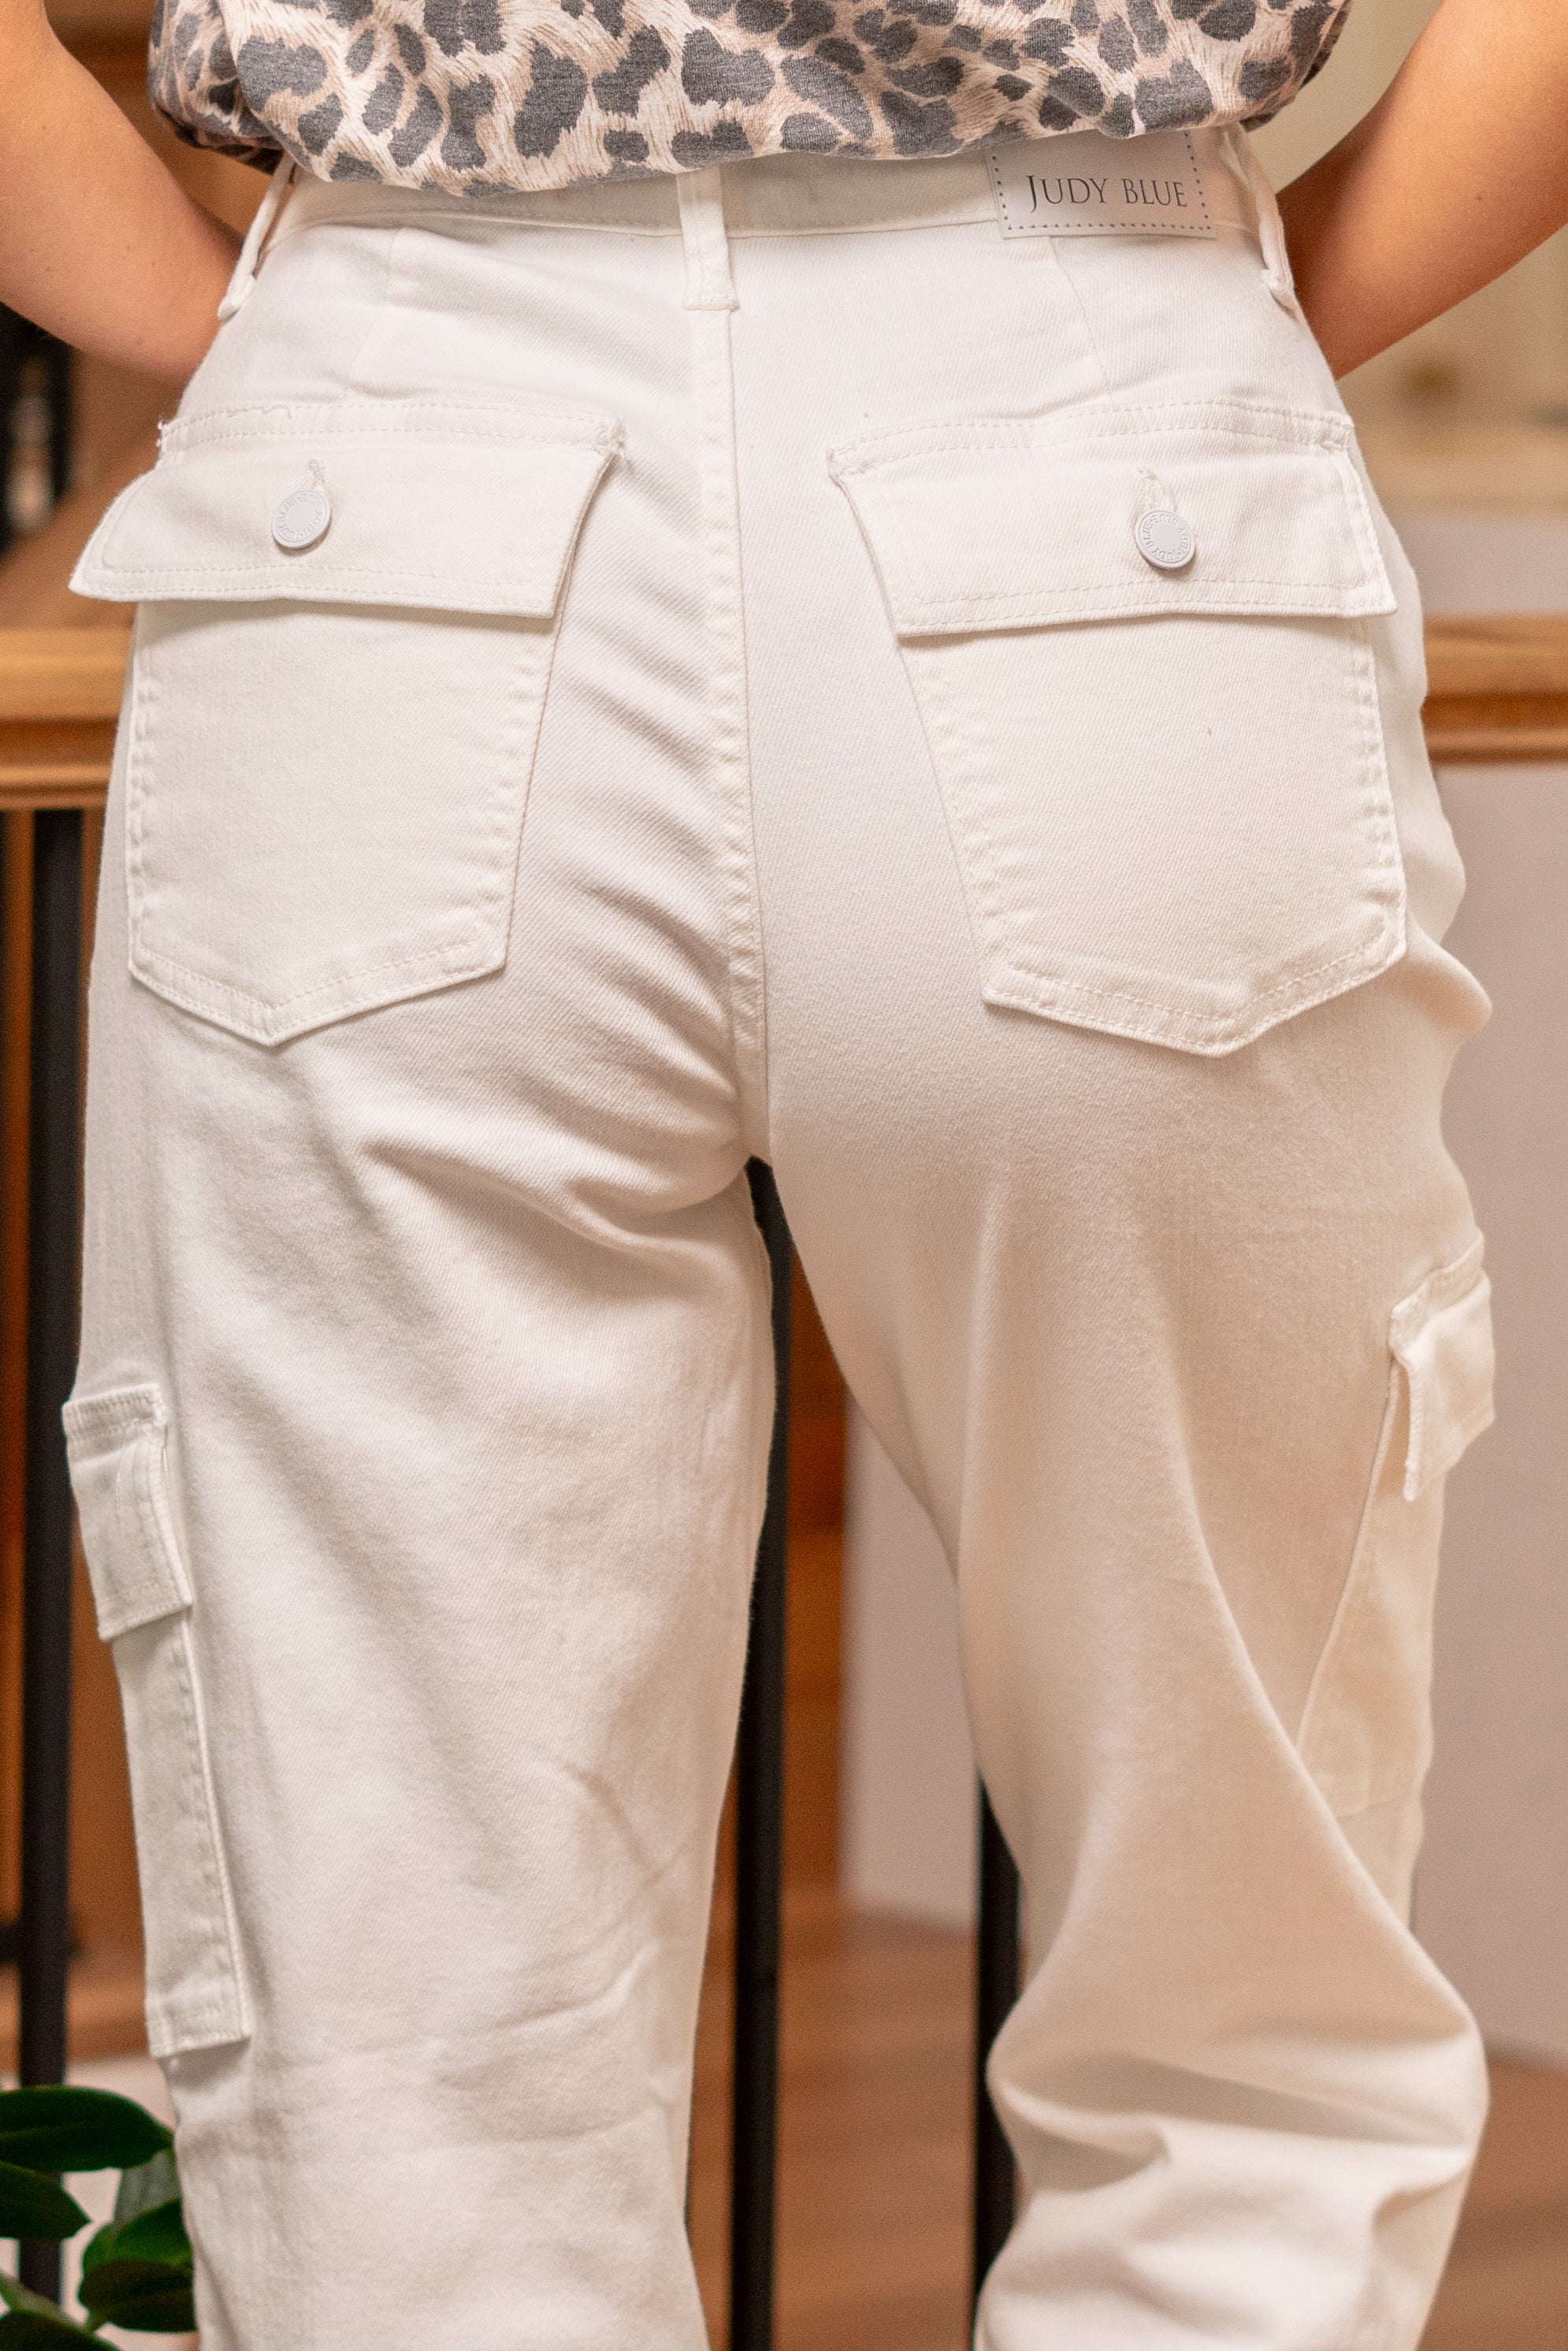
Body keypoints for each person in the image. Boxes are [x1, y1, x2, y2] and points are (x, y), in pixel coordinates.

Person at [2, 2, 1563, 2344]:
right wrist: (1221, 303)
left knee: (412, 2101)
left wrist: (276, 329)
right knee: (1234, 2046)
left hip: (396, 439)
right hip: (1096, 392)